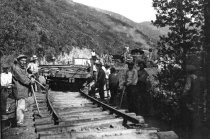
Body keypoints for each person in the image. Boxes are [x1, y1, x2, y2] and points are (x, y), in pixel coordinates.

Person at [11, 54, 35, 126]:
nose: (24, 62)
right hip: (19, 90)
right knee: (20, 107)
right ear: (18, 61)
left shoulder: (22, 68)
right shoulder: (16, 69)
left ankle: (18, 120)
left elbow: (25, 75)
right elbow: (22, 79)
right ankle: (19, 122)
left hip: (22, 90)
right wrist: (30, 81)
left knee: (19, 105)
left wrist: (30, 76)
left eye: (25, 61)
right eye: (22, 60)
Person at [182, 65, 202, 139]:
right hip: (195, 98)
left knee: (188, 113)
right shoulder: (196, 77)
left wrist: (183, 94)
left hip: (190, 98)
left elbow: (187, 87)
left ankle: (189, 132)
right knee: (194, 113)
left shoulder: (189, 77)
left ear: (188, 71)